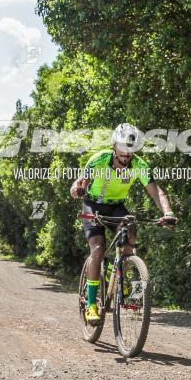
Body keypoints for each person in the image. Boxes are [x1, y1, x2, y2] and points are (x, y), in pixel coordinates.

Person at [69, 123, 176, 324]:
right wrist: (77, 189)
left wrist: (168, 212)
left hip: (116, 206)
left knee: (131, 231)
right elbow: (78, 183)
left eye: (131, 150)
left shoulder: (139, 166)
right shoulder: (99, 159)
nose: (127, 154)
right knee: (98, 250)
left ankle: (118, 271)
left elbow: (157, 192)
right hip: (93, 205)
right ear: (115, 146)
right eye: (123, 149)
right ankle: (92, 304)